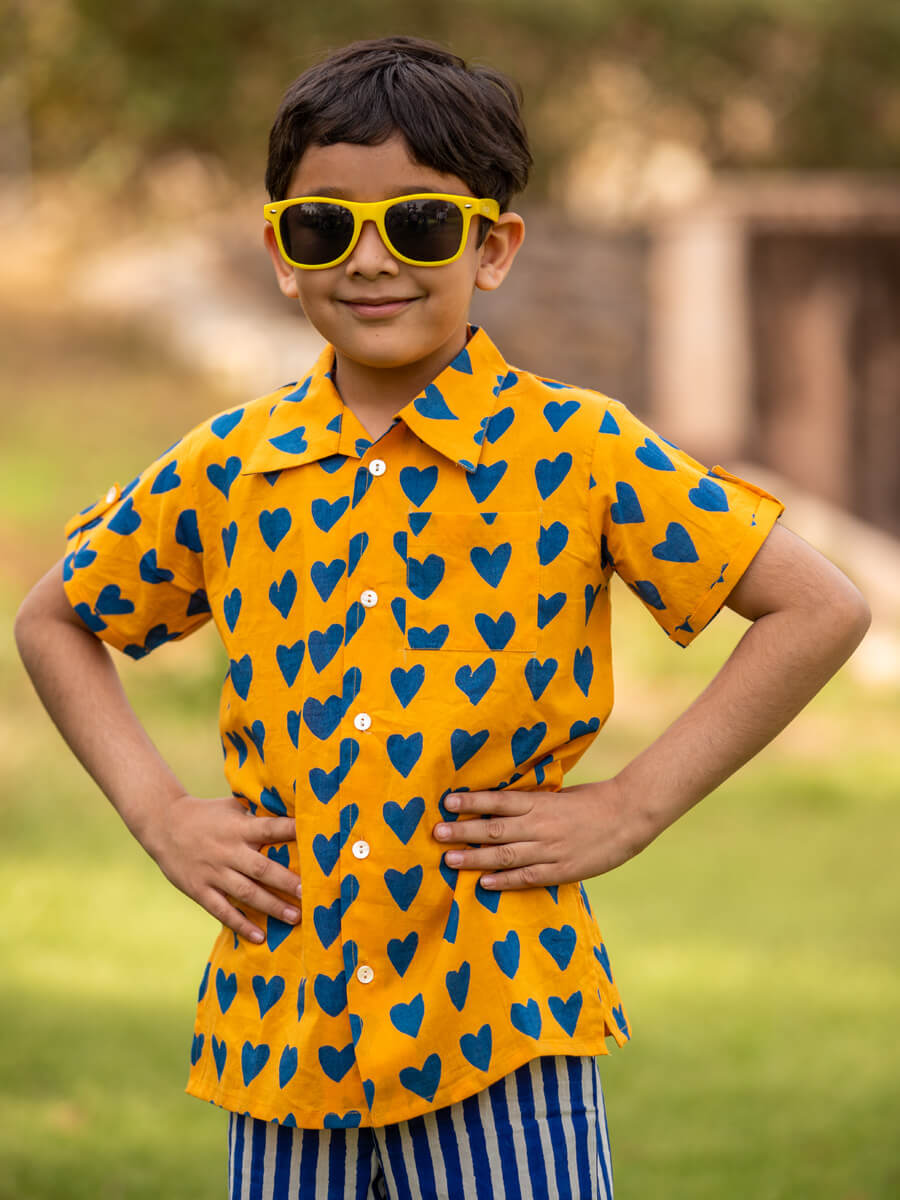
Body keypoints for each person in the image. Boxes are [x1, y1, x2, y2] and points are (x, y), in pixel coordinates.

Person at [15, 34, 870, 1200]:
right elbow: (55, 620)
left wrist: (631, 807)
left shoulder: (579, 451)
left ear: (494, 246)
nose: (369, 260)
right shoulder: (230, 466)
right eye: (324, 226)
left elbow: (818, 607)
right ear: (281, 253)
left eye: (419, 225)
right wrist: (158, 812)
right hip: (284, 1040)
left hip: (501, 1031)